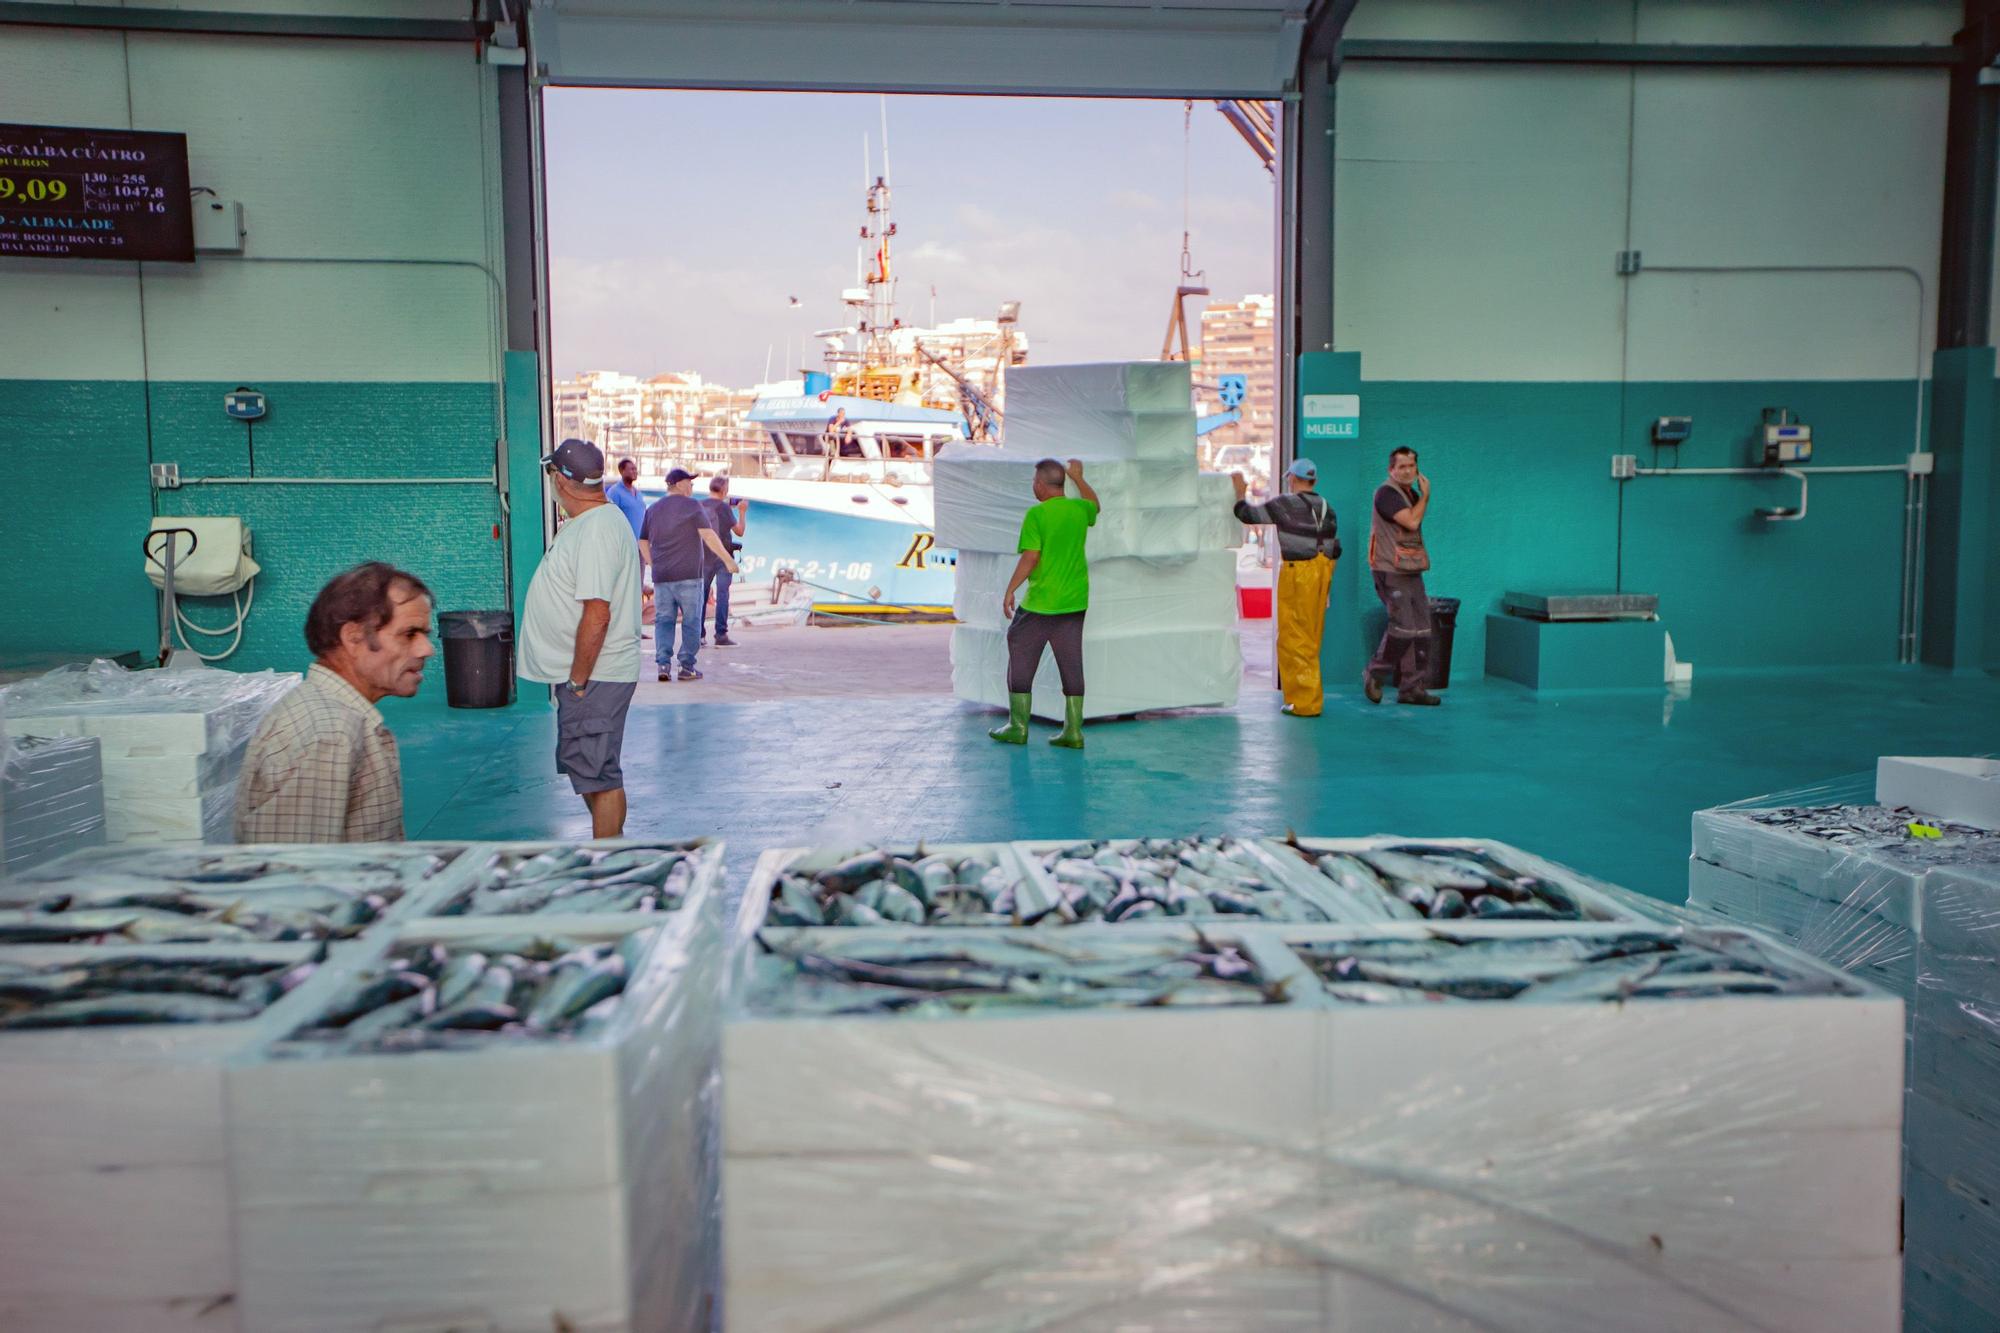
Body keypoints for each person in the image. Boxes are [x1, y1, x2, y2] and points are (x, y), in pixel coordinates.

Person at [234, 562, 434, 842]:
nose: (427, 649)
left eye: (426, 635)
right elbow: (298, 873)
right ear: (353, 637)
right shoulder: (327, 734)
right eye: (409, 634)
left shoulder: (340, 719)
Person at [519, 438, 644, 836]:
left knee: (599, 774)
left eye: (550, 473)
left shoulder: (596, 529)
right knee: (590, 769)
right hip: (590, 676)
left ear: (560, 480)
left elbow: (597, 613)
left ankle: (608, 864)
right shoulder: (588, 524)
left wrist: (576, 680)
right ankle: (612, 848)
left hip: (595, 676)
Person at [992, 458, 1098, 749]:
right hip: (1075, 601)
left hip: (1041, 604)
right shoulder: (1079, 510)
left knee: (1019, 650)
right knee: (1071, 663)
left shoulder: (1036, 515)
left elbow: (1031, 557)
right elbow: (1095, 505)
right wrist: (1078, 477)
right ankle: (1073, 731)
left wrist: (1011, 588)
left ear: (1040, 484)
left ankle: (1017, 726)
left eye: (1034, 481)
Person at [1232, 458, 1341, 717]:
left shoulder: (1285, 504)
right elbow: (1335, 548)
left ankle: (1305, 703)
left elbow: (1248, 515)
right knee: (1311, 637)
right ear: (1314, 480)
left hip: (1299, 573)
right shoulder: (1328, 507)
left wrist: (1239, 491)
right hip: (1322, 572)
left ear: (1291, 478)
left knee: (1295, 638)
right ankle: (1305, 698)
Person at [641, 467, 739, 682]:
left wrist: (652, 563)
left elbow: (642, 540)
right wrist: (728, 560)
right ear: (679, 484)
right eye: (690, 482)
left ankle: (663, 666)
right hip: (688, 576)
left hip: (662, 577)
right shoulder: (692, 506)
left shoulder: (653, 509)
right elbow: (709, 536)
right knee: (692, 621)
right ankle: (686, 667)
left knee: (663, 621)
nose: (692, 487)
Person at [1366, 446, 1441, 707]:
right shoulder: (1387, 493)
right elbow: (1411, 522)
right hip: (1389, 570)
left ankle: (1412, 688)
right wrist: (1427, 496)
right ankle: (1375, 674)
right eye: (1402, 466)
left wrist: (1420, 497)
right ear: (1391, 470)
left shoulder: (1411, 494)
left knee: (1422, 629)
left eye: (1411, 466)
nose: (1407, 471)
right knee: (1403, 628)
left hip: (1410, 570)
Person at [604, 455, 654, 634]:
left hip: (640, 547)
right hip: (624, 547)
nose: (635, 471)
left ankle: (635, 627)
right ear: (622, 471)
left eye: (635, 469)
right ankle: (619, 627)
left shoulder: (637, 493)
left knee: (637, 587)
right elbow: (609, 518)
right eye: (631, 469)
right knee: (623, 587)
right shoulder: (615, 493)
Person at [700, 475, 747, 648]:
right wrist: (742, 512)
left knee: (702, 596)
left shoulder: (700, 505)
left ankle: (699, 635)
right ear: (725, 490)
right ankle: (721, 634)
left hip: (704, 555)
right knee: (722, 594)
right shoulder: (725, 508)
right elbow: (740, 531)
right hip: (723, 557)